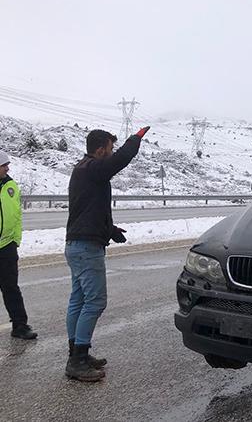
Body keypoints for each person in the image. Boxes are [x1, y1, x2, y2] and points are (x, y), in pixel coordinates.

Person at [64, 126, 149, 382]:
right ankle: (77, 360)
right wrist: (135, 139)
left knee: (78, 300)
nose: (111, 152)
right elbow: (119, 160)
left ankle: (76, 354)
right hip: (86, 248)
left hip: (77, 244)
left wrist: (109, 229)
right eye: (109, 148)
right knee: (95, 302)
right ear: (100, 150)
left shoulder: (84, 170)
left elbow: (87, 209)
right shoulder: (92, 168)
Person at [0, 151, 37, 340]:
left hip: (6, 246)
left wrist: (16, 240)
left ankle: (20, 325)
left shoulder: (11, 186)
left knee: (11, 288)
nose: (7, 168)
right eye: (3, 165)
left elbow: (17, 215)